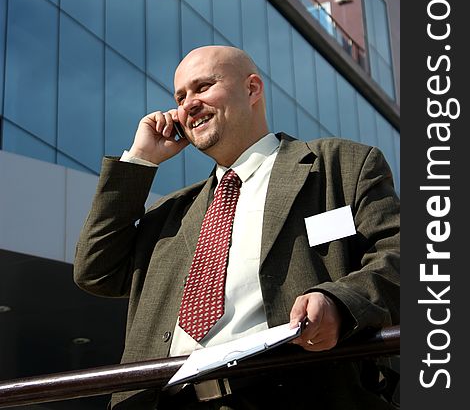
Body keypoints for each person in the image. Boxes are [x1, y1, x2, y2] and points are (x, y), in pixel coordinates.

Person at [74, 45, 400, 410]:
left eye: (203, 87)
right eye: (180, 96)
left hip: (297, 391)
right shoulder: (169, 214)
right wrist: (139, 161)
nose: (188, 104)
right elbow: (96, 271)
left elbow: (401, 255)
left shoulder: (342, 167)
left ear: (252, 89)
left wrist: (341, 302)